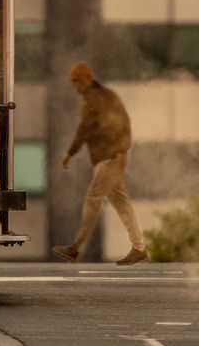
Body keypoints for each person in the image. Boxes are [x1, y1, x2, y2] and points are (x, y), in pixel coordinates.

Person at [53, 61, 147, 265]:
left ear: (88, 78)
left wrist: (121, 150)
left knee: (93, 199)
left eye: (77, 81)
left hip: (110, 158)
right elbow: (86, 128)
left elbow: (120, 123)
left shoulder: (100, 98)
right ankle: (139, 248)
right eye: (73, 82)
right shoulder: (93, 98)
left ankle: (75, 248)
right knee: (122, 204)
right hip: (106, 158)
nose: (75, 86)